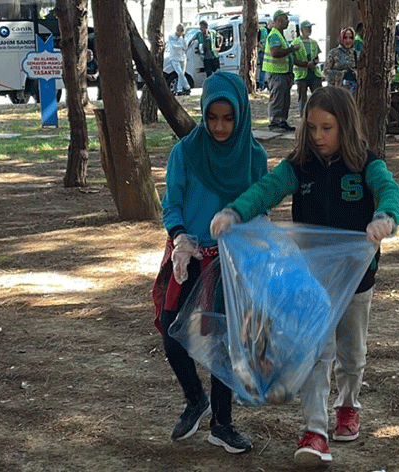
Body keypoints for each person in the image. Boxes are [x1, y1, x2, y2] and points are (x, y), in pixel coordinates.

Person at [210, 85, 399, 467]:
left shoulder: (367, 164)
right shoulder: (299, 165)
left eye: (327, 128)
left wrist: (385, 218)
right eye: (312, 127)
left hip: (357, 281)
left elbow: (390, 192)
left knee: (351, 354)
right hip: (312, 285)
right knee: (315, 352)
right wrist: (235, 212)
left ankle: (347, 406)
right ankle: (314, 431)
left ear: (345, 126)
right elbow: (266, 190)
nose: (318, 136)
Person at [152, 71, 268, 455]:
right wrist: (180, 236)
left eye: (228, 118)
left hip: (231, 262)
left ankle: (222, 424)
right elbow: (172, 203)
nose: (219, 127)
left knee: (223, 343)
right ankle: (195, 399)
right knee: (172, 334)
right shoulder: (185, 152)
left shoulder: (254, 157)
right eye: (212, 117)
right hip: (188, 255)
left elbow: (260, 205)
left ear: (241, 116)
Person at [262, 9, 301, 131]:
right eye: (286, 19)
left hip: (283, 73)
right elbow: (275, 53)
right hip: (276, 73)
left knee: (284, 100)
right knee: (277, 99)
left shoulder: (280, 35)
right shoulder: (274, 35)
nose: (288, 22)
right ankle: (274, 123)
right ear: (279, 21)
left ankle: (282, 121)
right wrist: (291, 49)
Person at [292, 20, 322, 116]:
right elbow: (294, 59)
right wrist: (306, 64)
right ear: (301, 30)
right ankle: (304, 116)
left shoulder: (314, 42)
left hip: (314, 73)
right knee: (302, 98)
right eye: (307, 28)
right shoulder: (295, 42)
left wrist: (314, 62)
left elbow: (317, 57)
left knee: (319, 96)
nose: (309, 30)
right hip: (301, 75)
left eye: (310, 28)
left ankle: (318, 114)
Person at [324, 27, 359, 92]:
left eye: (351, 38)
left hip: (352, 92)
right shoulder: (333, 52)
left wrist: (354, 74)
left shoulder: (356, 54)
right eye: (345, 37)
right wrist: (341, 74)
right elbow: (326, 71)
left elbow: (361, 72)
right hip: (336, 91)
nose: (348, 40)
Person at [166, 24, 190, 96]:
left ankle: (179, 89)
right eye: (180, 32)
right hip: (174, 58)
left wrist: (181, 47)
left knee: (181, 74)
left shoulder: (182, 38)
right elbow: (173, 47)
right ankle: (187, 87)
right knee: (180, 73)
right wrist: (181, 47)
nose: (180, 34)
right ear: (177, 30)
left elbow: (185, 47)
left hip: (182, 58)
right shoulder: (171, 37)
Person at [257, 21, 271, 90]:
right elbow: (257, 42)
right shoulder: (262, 30)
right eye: (272, 23)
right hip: (263, 52)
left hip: (267, 52)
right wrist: (263, 47)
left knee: (268, 69)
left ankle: (267, 84)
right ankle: (262, 85)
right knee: (263, 69)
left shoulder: (272, 31)